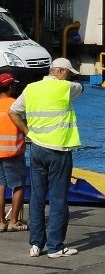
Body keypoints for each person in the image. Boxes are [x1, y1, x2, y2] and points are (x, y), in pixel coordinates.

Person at [8, 58, 84, 259]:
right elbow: (80, 87)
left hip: (37, 149)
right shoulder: (66, 88)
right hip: (58, 149)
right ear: (59, 72)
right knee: (58, 199)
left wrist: (27, 132)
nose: (69, 76)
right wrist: (68, 81)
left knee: (37, 198)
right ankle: (55, 246)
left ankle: (35, 244)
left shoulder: (31, 89)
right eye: (67, 73)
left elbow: (13, 111)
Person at [0, 72, 28, 233]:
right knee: (17, 186)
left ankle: (0, 222)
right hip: (13, 152)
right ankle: (13, 221)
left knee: (0, 186)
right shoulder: (16, 106)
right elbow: (24, 126)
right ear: (11, 87)